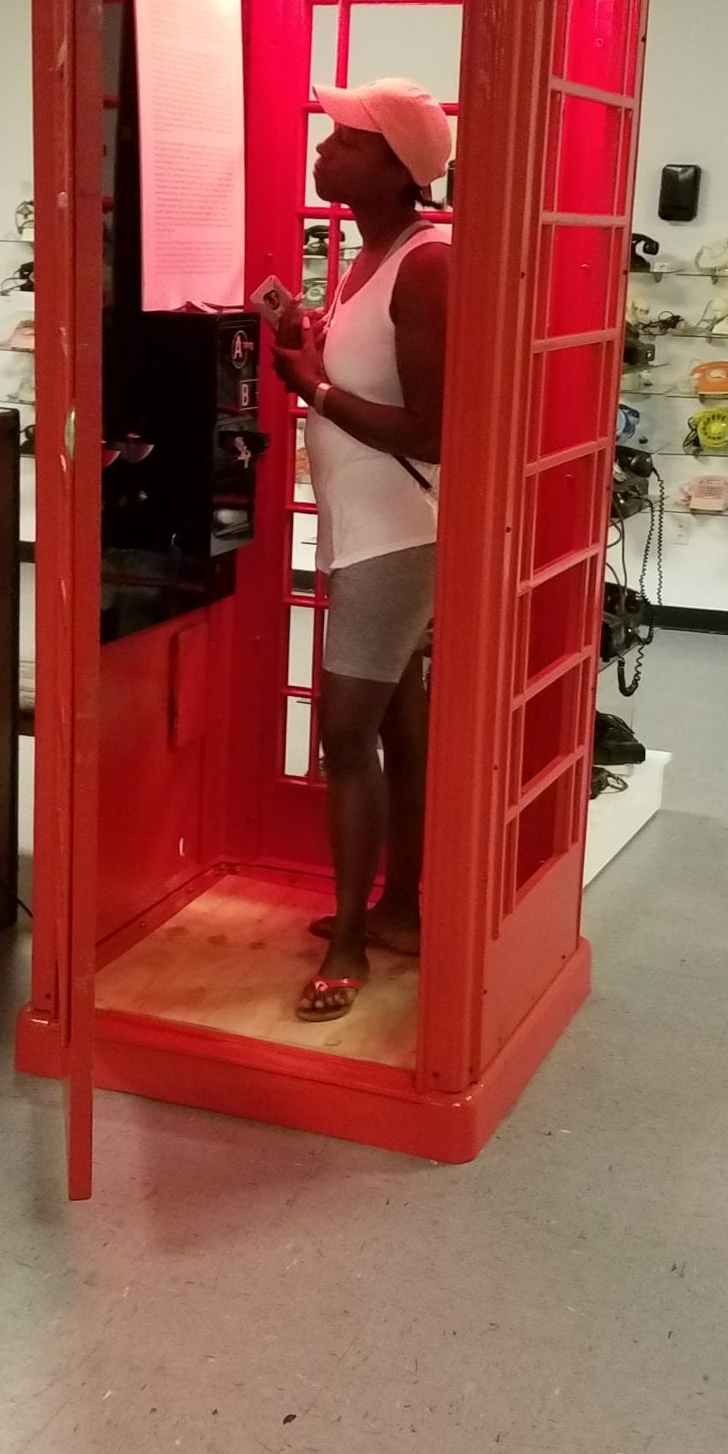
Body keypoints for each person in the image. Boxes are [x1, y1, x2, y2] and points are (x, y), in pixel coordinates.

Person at [271, 77, 453, 1022]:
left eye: (344, 139)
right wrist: (306, 342)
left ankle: (348, 939)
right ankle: (401, 909)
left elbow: (433, 430)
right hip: (359, 523)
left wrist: (313, 386)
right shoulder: (369, 256)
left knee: (345, 731)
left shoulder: (430, 263)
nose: (323, 149)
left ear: (394, 167)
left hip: (399, 533)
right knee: (397, 724)